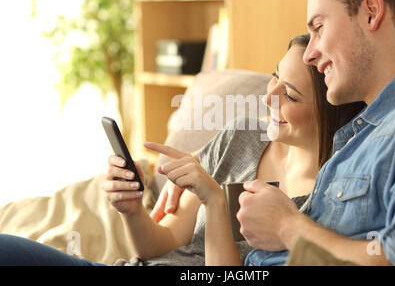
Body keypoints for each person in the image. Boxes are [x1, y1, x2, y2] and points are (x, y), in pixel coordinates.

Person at [156, 0, 395, 266]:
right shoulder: (360, 134)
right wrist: (195, 164)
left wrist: (288, 227)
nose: (309, 54)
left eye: (319, 28)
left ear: (372, 13)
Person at [0, 34, 364, 265]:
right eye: (275, 76)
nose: (269, 95)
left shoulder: (319, 201)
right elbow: (157, 244)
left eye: (291, 95)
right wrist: (130, 210)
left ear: (329, 112)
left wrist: (215, 202)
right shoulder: (242, 136)